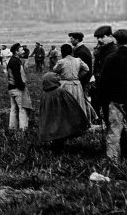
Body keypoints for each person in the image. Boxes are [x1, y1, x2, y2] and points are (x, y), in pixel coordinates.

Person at [96, 29, 127, 166]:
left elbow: (103, 82)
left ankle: (113, 161)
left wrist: (102, 99)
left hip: (115, 99)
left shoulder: (110, 58)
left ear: (116, 40)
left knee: (114, 130)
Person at [36, 71, 90, 146]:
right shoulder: (60, 91)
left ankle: (56, 144)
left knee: (54, 130)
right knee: (60, 129)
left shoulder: (44, 95)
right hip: (60, 116)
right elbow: (71, 103)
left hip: (51, 118)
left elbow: (42, 109)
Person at [53, 43, 98, 122]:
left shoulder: (61, 62)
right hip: (77, 84)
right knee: (79, 102)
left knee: (66, 104)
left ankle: (67, 121)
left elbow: (55, 70)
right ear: (71, 52)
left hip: (65, 84)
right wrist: (78, 76)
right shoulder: (78, 60)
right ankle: (80, 121)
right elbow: (86, 69)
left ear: (62, 52)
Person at [6, 43, 31, 133]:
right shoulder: (16, 61)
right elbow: (17, 77)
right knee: (22, 109)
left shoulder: (13, 60)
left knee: (13, 109)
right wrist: (22, 87)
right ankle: (23, 130)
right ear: (16, 51)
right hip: (17, 89)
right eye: (21, 50)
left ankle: (12, 128)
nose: (23, 51)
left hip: (11, 88)